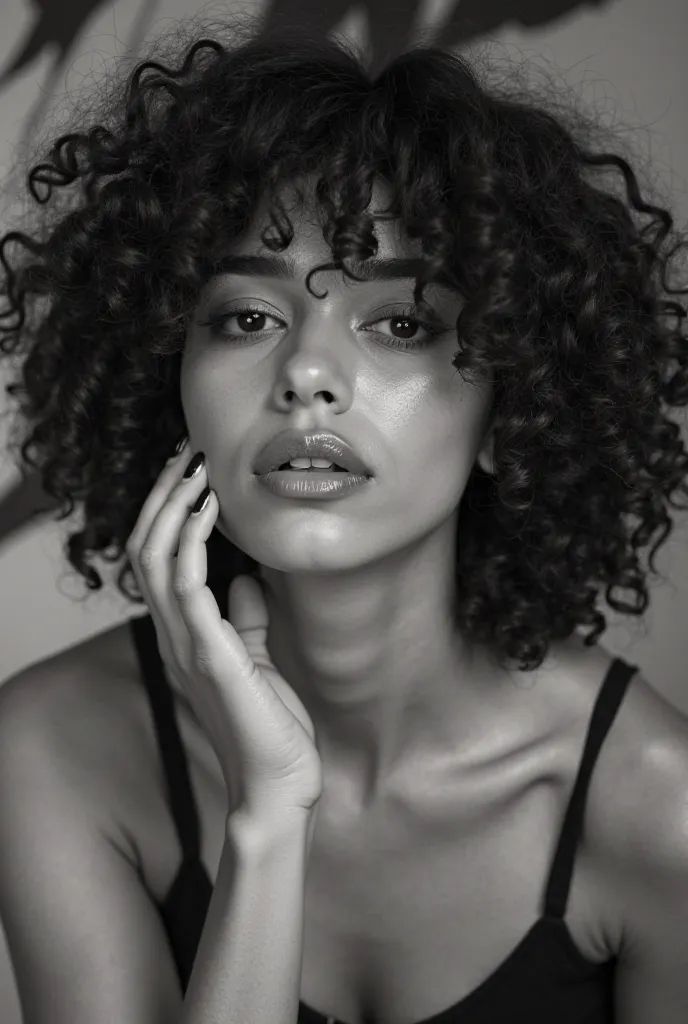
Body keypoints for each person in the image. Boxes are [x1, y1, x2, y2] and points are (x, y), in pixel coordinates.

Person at [1, 11, 688, 1024]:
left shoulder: (660, 811)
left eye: (401, 323)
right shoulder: (52, 747)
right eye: (247, 318)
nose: (308, 377)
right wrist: (269, 820)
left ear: (515, 405)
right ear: (167, 380)